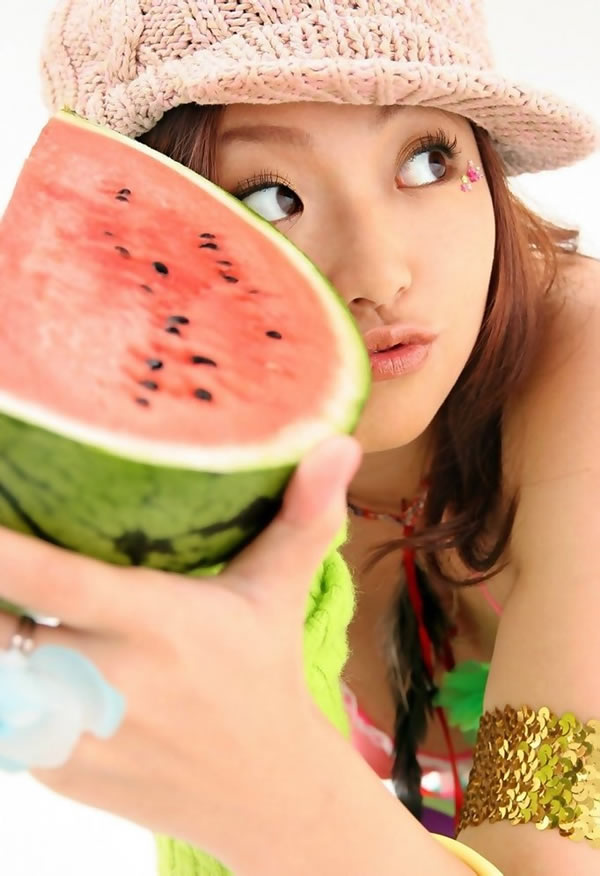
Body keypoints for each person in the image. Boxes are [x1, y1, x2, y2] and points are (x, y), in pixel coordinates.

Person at [0, 0, 598, 873]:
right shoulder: (159, 453)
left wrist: (273, 794)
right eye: (271, 196)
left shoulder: (585, 368)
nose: (383, 273)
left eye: (428, 159)